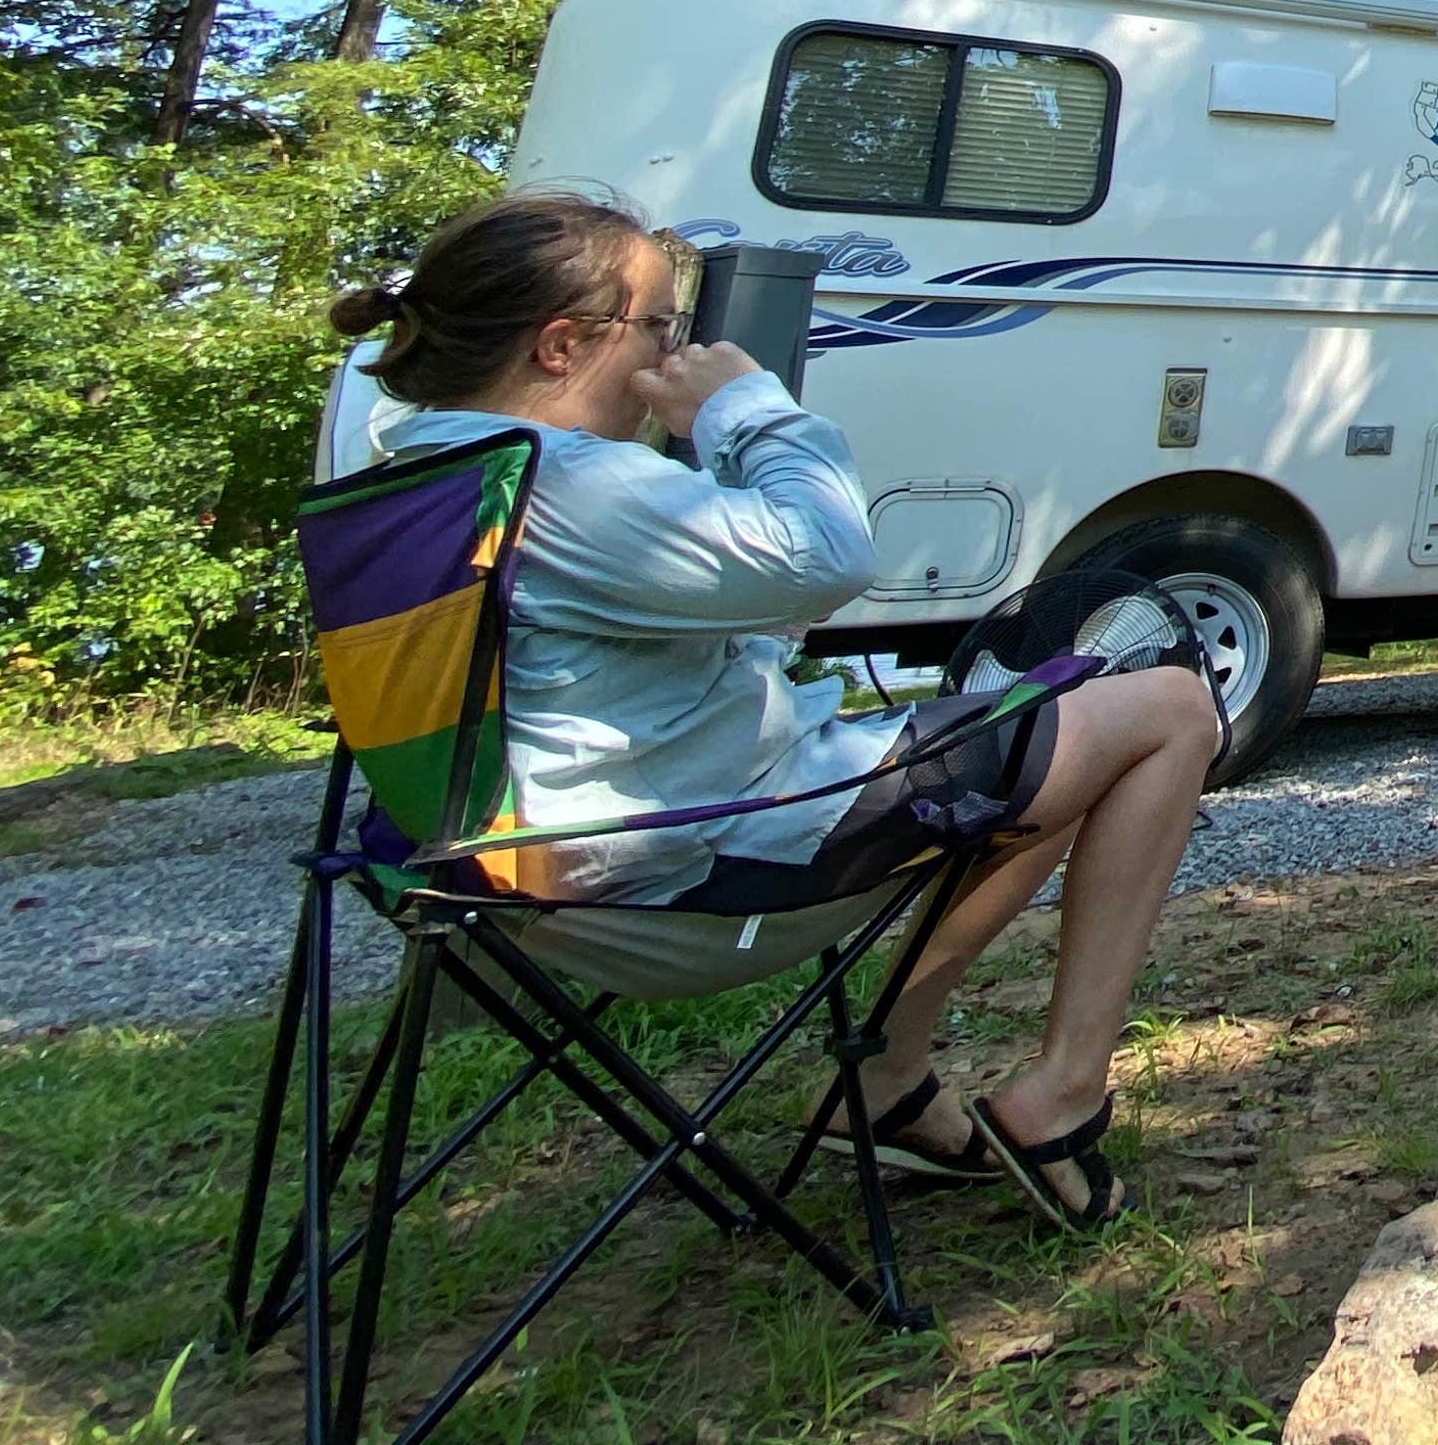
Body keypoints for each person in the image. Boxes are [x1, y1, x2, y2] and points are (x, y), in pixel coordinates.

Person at [330, 189, 1224, 1230]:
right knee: (1164, 708)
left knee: (1044, 743)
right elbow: (829, 557)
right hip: (687, 876)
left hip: (498, 882)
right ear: (563, 345)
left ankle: (884, 1080)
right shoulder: (566, 485)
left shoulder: (425, 473)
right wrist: (748, 409)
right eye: (661, 326)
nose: (678, 350)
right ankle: (1062, 1094)